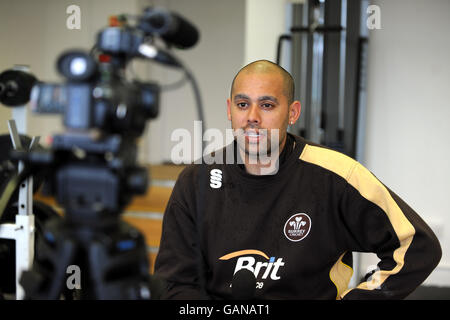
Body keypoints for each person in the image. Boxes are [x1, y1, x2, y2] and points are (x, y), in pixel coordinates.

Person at [154, 60, 442, 299]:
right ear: (229, 109)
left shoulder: (336, 175)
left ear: (292, 112)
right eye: (243, 105)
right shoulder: (197, 181)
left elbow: (418, 246)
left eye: (267, 106)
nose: (252, 117)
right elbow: (176, 283)